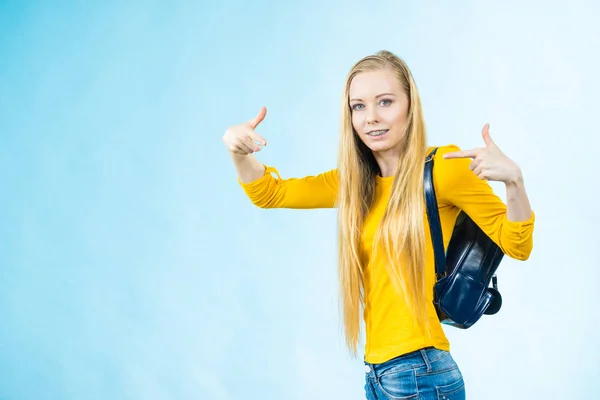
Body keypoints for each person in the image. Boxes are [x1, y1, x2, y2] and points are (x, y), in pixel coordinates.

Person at [222, 50, 535, 400]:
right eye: (359, 106)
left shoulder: (444, 169)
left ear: (410, 106)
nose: (371, 118)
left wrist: (514, 183)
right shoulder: (355, 183)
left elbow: (516, 243)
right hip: (379, 374)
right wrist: (238, 151)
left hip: (419, 372)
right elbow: (269, 193)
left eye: (385, 102)